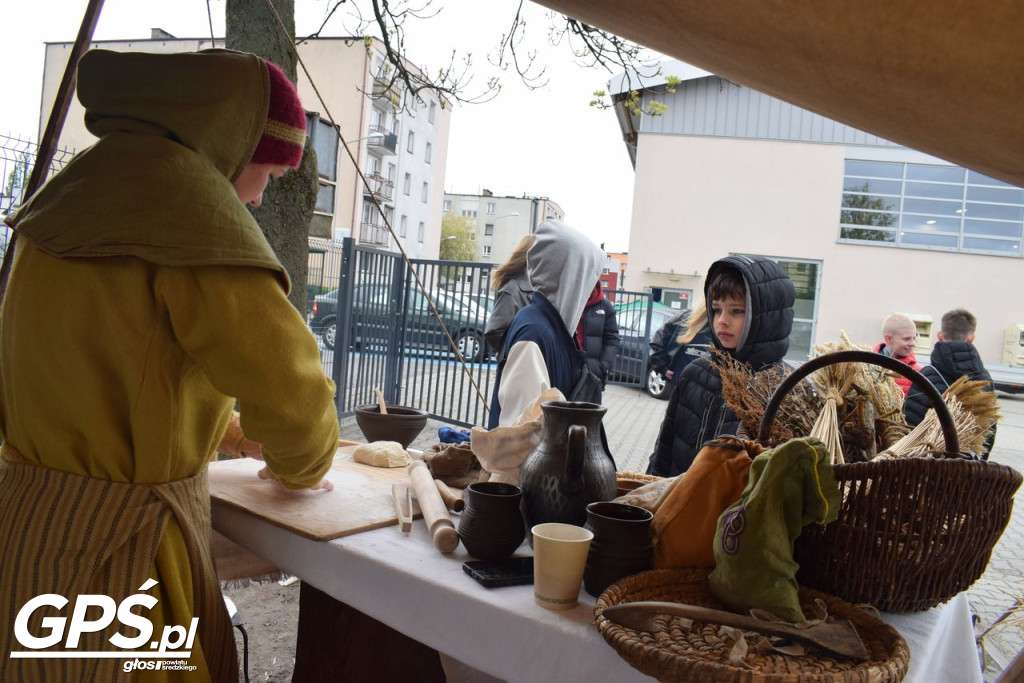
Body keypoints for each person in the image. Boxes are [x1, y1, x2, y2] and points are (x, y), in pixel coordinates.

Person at [0, 49, 339, 681]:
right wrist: (301, 463)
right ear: (230, 142)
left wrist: (233, 434)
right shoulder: (191, 215)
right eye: (266, 172)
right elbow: (299, 400)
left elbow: (115, 374)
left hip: (29, 539)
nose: (262, 199)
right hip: (119, 565)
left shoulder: (68, 193)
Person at [646, 256, 795, 477]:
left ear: (766, 317)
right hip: (677, 507)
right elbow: (663, 452)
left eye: (737, 311)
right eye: (716, 310)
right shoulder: (695, 373)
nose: (722, 320)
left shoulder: (786, 389)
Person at [487, 220, 605, 428]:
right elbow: (517, 440)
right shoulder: (535, 335)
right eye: (587, 278)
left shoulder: (551, 330)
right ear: (571, 277)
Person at [904, 308, 997, 457]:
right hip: (967, 470)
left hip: (927, 468)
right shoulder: (984, 380)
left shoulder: (926, 376)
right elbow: (988, 433)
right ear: (971, 338)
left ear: (940, 336)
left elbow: (909, 426)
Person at [648, 299, 714, 398]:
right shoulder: (686, 317)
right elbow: (658, 341)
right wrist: (662, 368)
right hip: (681, 389)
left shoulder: (725, 324)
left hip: (708, 395)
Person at [484, 234, 535, 360]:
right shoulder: (512, 290)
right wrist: (518, 352)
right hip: (517, 367)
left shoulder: (534, 287)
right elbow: (494, 331)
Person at [576, 280, 620, 393]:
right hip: (567, 368)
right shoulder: (568, 302)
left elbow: (612, 339)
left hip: (593, 374)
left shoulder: (605, 307)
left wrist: (604, 366)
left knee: (589, 410)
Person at [873, 313, 922, 396]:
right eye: (907, 339)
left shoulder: (917, 373)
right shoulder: (868, 366)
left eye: (914, 338)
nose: (912, 343)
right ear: (888, 339)